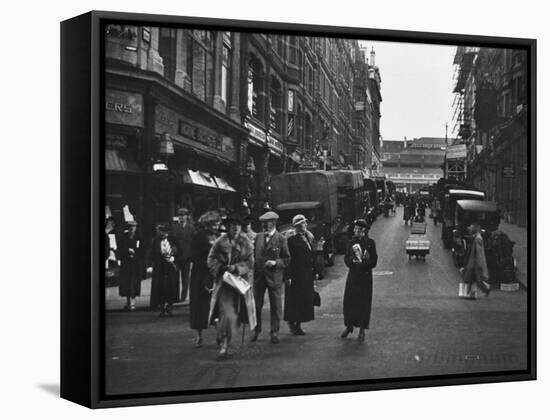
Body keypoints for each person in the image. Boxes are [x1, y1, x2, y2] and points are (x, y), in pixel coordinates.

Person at [207, 213, 256, 360]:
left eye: (237, 225)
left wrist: (236, 268)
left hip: (240, 284)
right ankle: (224, 346)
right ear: (227, 227)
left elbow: (250, 263)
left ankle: (223, 337)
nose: (234, 228)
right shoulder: (220, 241)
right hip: (225, 284)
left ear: (241, 227)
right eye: (231, 225)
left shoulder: (246, 242)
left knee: (238, 316)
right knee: (227, 313)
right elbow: (211, 259)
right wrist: (220, 268)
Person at [251, 211, 291, 344]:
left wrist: (275, 263)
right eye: (263, 223)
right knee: (256, 305)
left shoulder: (281, 239)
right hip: (259, 276)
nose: (264, 225)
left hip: (274, 277)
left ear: (273, 223)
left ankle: (274, 332)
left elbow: (287, 259)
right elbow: (254, 255)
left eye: (266, 222)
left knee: (275, 305)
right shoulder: (258, 237)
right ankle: (256, 330)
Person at [341, 219, 378, 342]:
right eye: (355, 228)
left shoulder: (370, 243)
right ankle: (349, 326)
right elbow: (346, 258)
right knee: (350, 302)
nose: (355, 230)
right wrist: (352, 262)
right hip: (353, 277)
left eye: (357, 229)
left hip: (365, 278)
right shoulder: (351, 242)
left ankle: (362, 330)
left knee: (363, 304)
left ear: (363, 231)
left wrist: (364, 263)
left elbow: (374, 261)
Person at [189, 211, 221, 347]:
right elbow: (193, 256)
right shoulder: (198, 237)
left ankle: (220, 335)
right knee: (199, 307)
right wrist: (208, 263)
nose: (217, 226)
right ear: (207, 224)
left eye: (218, 224)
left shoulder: (219, 236)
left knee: (217, 306)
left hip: (216, 275)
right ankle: (198, 336)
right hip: (200, 277)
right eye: (214, 224)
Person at [284, 214, 315, 336]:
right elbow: (288, 259)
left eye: (305, 222)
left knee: (303, 299)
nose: (306, 225)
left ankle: (299, 324)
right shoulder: (291, 240)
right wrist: (288, 276)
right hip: (296, 274)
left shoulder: (307, 237)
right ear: (297, 225)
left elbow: (310, 255)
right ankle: (293, 324)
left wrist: (314, 271)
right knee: (294, 300)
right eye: (303, 223)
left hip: (306, 273)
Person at [150, 224, 179, 316]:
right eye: (159, 231)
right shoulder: (156, 240)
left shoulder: (173, 239)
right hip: (160, 268)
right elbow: (152, 254)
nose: (160, 233)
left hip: (171, 267)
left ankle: (169, 307)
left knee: (171, 287)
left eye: (161, 231)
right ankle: (162, 308)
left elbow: (180, 251)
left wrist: (174, 257)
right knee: (161, 288)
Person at [461, 222, 491, 299]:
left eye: (470, 227)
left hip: (475, 263)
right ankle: (471, 294)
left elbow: (479, 252)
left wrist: (479, 264)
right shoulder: (475, 237)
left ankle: (485, 289)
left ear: (474, 229)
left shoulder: (478, 239)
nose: (469, 229)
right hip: (472, 262)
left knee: (476, 279)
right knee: (473, 278)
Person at [172, 207, 195, 302]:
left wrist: (191, 255)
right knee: (175, 277)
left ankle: (183, 296)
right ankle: (175, 296)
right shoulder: (174, 227)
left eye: (183, 215)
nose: (181, 217)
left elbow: (193, 242)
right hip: (177, 256)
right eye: (179, 215)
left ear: (187, 217)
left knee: (185, 278)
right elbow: (171, 240)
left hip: (186, 256)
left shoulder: (191, 228)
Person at [117, 220, 141, 311]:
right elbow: (119, 249)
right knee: (126, 283)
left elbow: (143, 250)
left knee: (134, 282)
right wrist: (127, 251)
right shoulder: (123, 238)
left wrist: (135, 253)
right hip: (126, 264)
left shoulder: (139, 237)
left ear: (136, 227)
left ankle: (133, 301)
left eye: (134, 227)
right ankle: (128, 300)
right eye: (130, 227)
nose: (132, 229)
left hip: (135, 264)